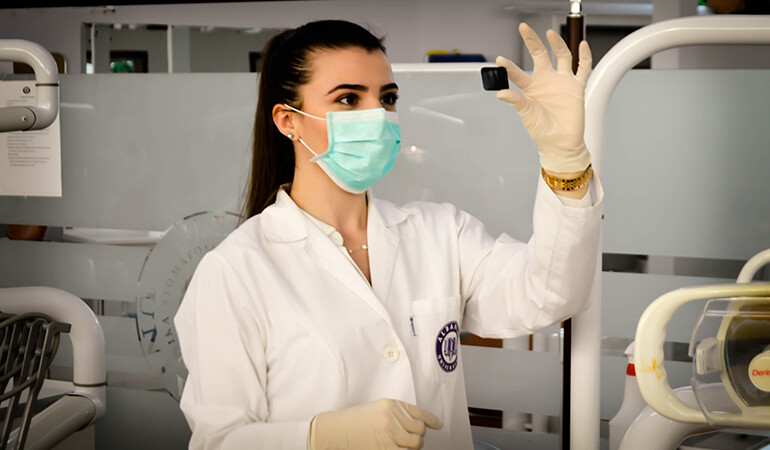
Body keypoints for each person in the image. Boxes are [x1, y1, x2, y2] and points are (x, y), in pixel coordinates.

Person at [174, 19, 603, 450]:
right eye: (348, 98)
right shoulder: (236, 271)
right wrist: (319, 437)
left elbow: (551, 292)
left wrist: (565, 164)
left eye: (387, 98)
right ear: (288, 121)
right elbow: (220, 440)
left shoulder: (439, 233)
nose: (377, 116)